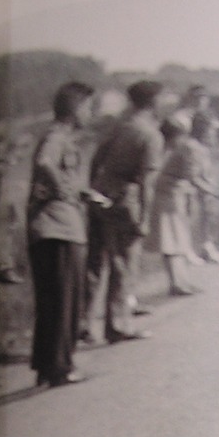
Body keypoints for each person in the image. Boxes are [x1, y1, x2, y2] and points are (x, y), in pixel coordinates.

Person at [27, 81, 104, 388]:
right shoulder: (56, 136)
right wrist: (63, 191)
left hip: (56, 226)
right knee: (64, 301)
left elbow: (55, 172)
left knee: (56, 301)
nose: (91, 113)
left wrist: (82, 193)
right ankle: (60, 368)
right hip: (57, 228)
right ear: (75, 109)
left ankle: (48, 366)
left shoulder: (62, 137)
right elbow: (44, 162)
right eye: (88, 107)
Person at [86, 80, 164, 343]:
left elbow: (96, 160)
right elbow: (147, 183)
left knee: (96, 264)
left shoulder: (119, 126)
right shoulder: (150, 134)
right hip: (125, 201)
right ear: (154, 102)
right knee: (124, 265)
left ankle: (84, 324)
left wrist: (94, 189)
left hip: (100, 194)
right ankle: (117, 325)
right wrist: (143, 218)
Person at [147, 114, 219, 297]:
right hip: (170, 195)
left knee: (179, 239)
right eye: (212, 131)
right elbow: (193, 177)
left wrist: (212, 190)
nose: (214, 135)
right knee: (172, 240)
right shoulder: (192, 148)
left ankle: (181, 282)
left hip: (177, 194)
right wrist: (216, 193)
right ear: (203, 131)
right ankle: (177, 284)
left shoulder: (195, 148)